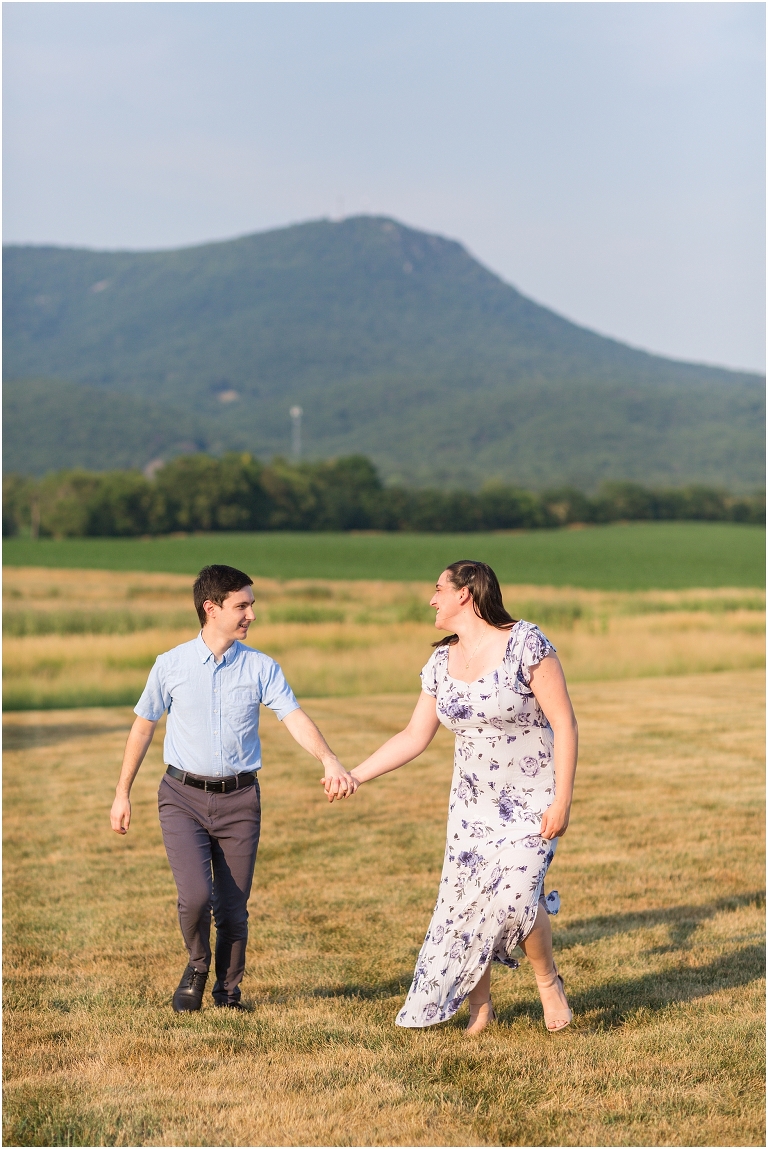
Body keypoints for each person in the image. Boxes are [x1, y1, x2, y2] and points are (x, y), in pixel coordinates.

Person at [344, 560, 578, 1034]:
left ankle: (547, 982)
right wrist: (356, 775)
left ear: (465, 594)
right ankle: (480, 1007)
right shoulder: (439, 664)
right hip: (472, 808)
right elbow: (413, 736)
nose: (432, 599)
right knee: (469, 904)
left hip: (532, 801)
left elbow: (565, 724)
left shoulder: (525, 643)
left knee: (515, 896)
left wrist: (563, 800)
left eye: (438, 589)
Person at [110, 564, 356, 1012]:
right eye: (241, 606)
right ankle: (198, 964)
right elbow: (143, 727)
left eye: (251, 606)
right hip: (181, 797)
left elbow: (293, 717)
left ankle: (228, 992)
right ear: (211, 608)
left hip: (241, 800)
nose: (251, 616)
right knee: (196, 898)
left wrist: (329, 758)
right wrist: (122, 792)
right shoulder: (171, 665)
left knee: (233, 909)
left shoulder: (261, 667)